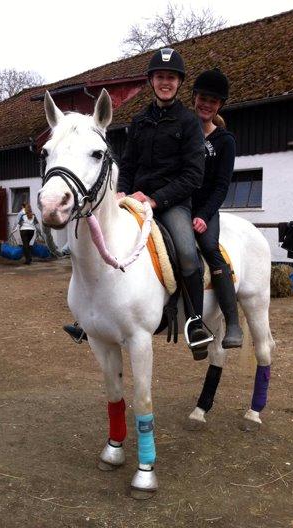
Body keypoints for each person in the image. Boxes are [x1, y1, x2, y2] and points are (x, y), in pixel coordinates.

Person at [64, 48, 212, 359]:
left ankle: (195, 322)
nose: (165, 82)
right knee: (94, 243)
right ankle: (88, 318)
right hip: (133, 199)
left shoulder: (188, 122)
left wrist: (158, 199)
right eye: (160, 77)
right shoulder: (140, 120)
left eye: (171, 78)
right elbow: (127, 164)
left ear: (179, 82)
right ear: (152, 80)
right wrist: (122, 191)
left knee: (186, 251)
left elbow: (193, 175)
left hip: (171, 203)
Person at [191, 68, 243, 348]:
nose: (207, 104)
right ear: (194, 98)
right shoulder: (183, 131)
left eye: (213, 100)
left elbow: (222, 186)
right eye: (203, 98)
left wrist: (203, 215)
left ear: (219, 105)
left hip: (206, 209)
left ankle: (232, 322)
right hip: (176, 205)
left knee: (211, 250)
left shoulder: (225, 141)